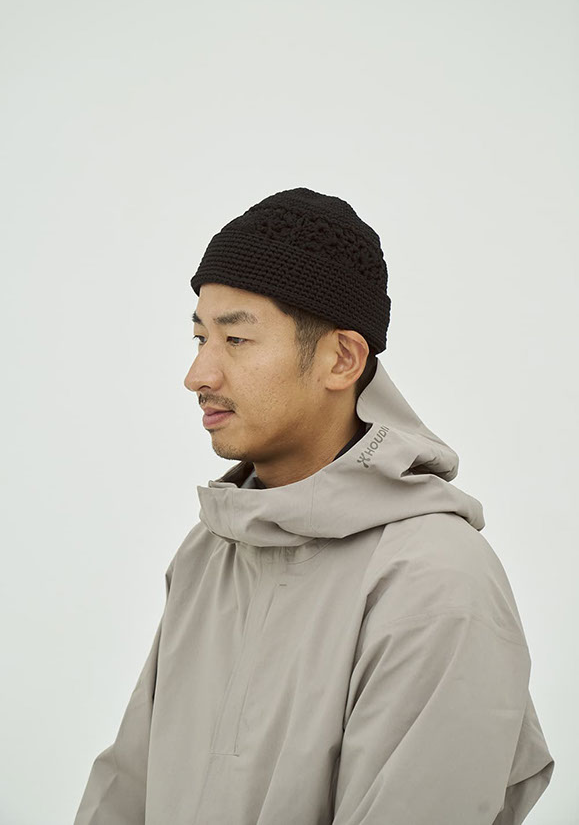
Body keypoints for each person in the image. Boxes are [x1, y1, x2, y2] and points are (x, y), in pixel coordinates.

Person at [74, 187, 555, 825]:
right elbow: (127, 792)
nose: (198, 375)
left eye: (236, 339)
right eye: (199, 337)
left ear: (342, 359)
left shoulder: (434, 579)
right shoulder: (211, 553)